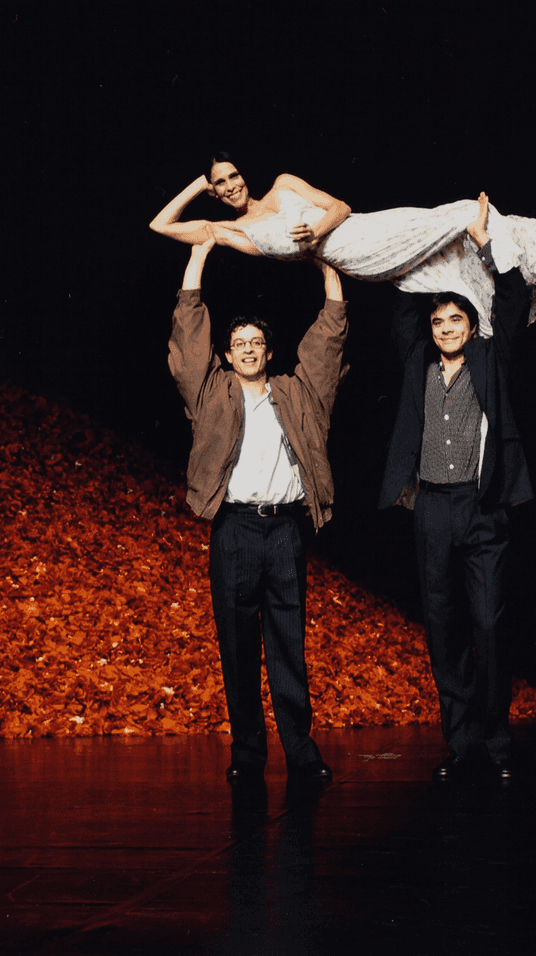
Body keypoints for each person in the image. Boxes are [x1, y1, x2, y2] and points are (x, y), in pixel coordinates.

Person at [167, 233, 347, 785]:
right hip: (235, 529)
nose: (247, 348)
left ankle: (301, 751)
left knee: (288, 643)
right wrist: (198, 258)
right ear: (227, 355)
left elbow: (327, 343)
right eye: (237, 342)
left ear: (269, 352)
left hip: (286, 530)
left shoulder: (296, 394)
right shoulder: (210, 393)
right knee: (238, 644)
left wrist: (328, 269)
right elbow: (188, 341)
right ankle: (248, 752)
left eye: (256, 342)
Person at [377, 193, 536, 782]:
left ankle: (496, 739)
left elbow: (514, 299)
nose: (446, 328)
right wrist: (430, 247)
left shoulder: (491, 360)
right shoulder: (418, 361)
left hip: (482, 507)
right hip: (432, 511)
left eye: (456, 321)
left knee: (489, 624)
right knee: (442, 626)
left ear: (472, 327)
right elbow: (399, 313)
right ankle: (461, 740)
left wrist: (481, 241)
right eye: (439, 321)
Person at [150, 152, 536, 331]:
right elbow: (161, 226)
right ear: (215, 189)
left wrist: (315, 231)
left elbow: (340, 207)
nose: (230, 185)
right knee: (469, 214)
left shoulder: (284, 184)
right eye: (220, 183)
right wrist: (196, 185)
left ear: (243, 174)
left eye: (233, 175)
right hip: (359, 258)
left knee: (465, 226)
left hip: (365, 228)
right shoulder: (233, 232)